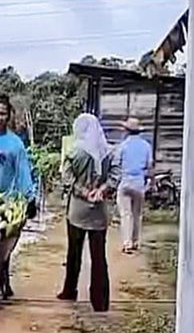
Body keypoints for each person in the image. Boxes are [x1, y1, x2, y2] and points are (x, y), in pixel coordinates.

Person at [56, 113, 120, 312]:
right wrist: (102, 190)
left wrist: (83, 192)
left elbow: (66, 178)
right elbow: (116, 175)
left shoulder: (74, 152)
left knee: (74, 252)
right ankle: (100, 301)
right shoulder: (108, 152)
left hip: (77, 211)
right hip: (99, 212)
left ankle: (70, 290)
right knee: (98, 257)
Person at [0, 94, 37, 298]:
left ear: (9, 115)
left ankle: (3, 277)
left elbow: (23, 172)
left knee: (4, 245)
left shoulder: (15, 144)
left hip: (8, 201)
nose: (0, 117)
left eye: (3, 113)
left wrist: (30, 197)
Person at [116, 117, 153, 254]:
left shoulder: (123, 146)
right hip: (139, 183)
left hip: (125, 182)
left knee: (126, 214)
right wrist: (151, 182)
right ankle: (136, 241)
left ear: (126, 131)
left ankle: (127, 243)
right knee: (137, 214)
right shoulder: (146, 146)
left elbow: (117, 164)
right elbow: (150, 166)